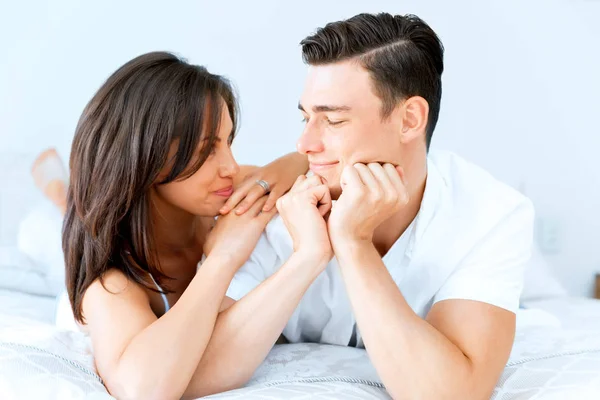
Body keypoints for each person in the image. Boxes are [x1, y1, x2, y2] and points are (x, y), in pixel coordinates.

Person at [200, 13, 535, 400]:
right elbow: (197, 374)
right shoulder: (271, 208)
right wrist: (307, 257)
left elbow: (450, 393)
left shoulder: (490, 214)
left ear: (410, 119)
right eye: (306, 117)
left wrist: (354, 244)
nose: (304, 144)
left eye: (334, 120)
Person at [60, 51, 309, 400]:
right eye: (207, 150)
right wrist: (223, 258)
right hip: (114, 239)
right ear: (146, 157)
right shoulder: (112, 285)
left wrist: (286, 164)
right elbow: (142, 390)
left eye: (229, 142)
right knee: (43, 233)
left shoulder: (225, 194)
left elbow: (312, 164)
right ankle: (56, 190)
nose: (231, 167)